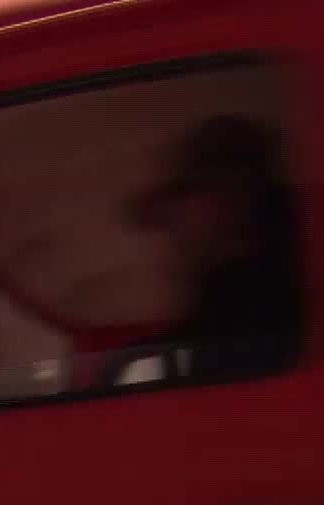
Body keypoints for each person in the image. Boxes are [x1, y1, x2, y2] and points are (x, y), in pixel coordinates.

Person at [100, 113, 306, 389]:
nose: (172, 234)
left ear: (226, 200)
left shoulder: (255, 293)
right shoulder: (255, 282)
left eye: (182, 202)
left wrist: (124, 363)